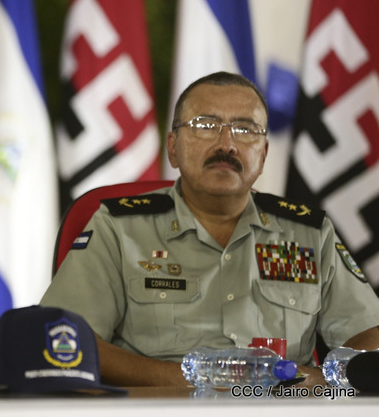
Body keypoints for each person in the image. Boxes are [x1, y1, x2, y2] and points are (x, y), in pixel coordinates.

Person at [40, 71, 379, 387]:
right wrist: (191, 381)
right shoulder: (119, 227)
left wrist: (323, 379)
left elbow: (369, 334)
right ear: (173, 148)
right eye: (205, 125)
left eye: (245, 129)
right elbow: (65, 337)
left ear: (263, 155)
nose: (226, 144)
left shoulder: (309, 233)